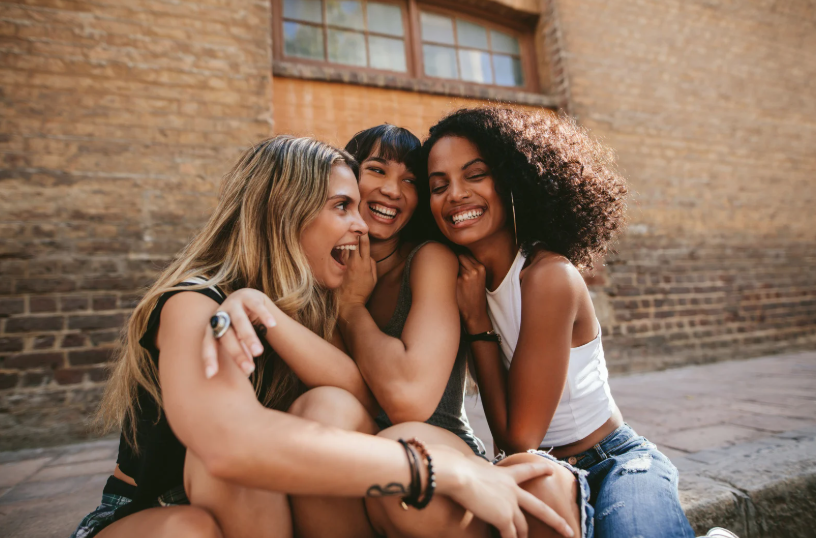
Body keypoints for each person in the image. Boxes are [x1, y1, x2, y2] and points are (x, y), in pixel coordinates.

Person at [70, 135, 574, 538]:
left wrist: (271, 312)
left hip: (256, 503)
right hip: (161, 506)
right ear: (285, 210)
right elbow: (228, 446)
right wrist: (445, 471)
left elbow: (359, 400)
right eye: (342, 206)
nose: (361, 225)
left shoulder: (300, 303)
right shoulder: (193, 302)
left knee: (328, 405)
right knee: (192, 525)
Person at [214, 126, 582, 538]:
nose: (393, 190)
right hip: (363, 452)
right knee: (322, 409)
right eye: (377, 170)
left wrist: (352, 310)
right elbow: (347, 389)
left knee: (381, 432)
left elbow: (410, 400)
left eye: (410, 181)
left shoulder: (430, 259)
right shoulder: (324, 266)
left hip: (436, 445)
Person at [421, 107, 696, 538]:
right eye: (439, 186)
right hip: (544, 470)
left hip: (613, 461)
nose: (455, 194)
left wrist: (477, 324)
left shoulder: (548, 276)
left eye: (475, 175)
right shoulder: (464, 280)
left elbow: (518, 438)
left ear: (513, 179)